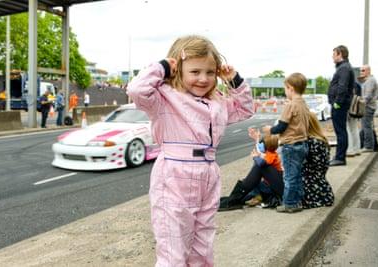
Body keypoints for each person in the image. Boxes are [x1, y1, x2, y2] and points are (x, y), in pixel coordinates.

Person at [127, 35, 254, 266]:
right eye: (195, 72)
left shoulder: (217, 101)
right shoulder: (162, 98)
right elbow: (136, 89)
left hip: (208, 173)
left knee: (203, 248)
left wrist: (234, 80)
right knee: (173, 250)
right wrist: (163, 66)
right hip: (174, 175)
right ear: (178, 69)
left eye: (210, 72)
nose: (203, 79)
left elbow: (245, 110)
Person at [263, 73, 309, 213]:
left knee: (289, 176)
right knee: (297, 175)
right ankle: (298, 201)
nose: (285, 91)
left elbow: (281, 126)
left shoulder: (291, 105)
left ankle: (289, 203)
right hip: (302, 144)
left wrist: (269, 129)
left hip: (290, 145)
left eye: (285, 88)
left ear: (290, 88)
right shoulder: (303, 104)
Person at [218, 129, 284, 211]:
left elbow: (261, 162)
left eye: (262, 143)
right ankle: (233, 198)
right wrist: (256, 140)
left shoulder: (271, 155)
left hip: (276, 187)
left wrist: (255, 157)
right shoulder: (268, 153)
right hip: (272, 184)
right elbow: (259, 151)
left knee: (259, 167)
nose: (260, 145)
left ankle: (232, 200)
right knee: (249, 191)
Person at [327, 45, 355, 166]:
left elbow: (342, 87)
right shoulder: (343, 67)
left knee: (340, 131)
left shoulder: (344, 68)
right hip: (340, 104)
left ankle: (340, 158)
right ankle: (339, 156)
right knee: (341, 131)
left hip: (340, 105)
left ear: (340, 54)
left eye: (334, 54)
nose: (332, 56)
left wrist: (337, 103)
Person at [302, 112, 334, 208]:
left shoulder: (310, 142)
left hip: (307, 190)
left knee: (264, 168)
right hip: (320, 188)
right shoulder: (320, 140)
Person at [359, 64, 378, 153]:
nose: (361, 72)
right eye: (361, 70)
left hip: (368, 107)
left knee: (366, 127)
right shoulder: (368, 80)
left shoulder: (370, 81)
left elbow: (368, 95)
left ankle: (368, 146)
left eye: (363, 70)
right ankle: (372, 145)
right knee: (367, 126)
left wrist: (362, 103)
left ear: (368, 71)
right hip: (369, 106)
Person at [346, 82, 362, 157]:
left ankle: (350, 150)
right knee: (355, 128)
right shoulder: (357, 85)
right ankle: (357, 149)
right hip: (356, 109)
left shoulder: (346, 83)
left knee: (347, 128)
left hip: (348, 108)